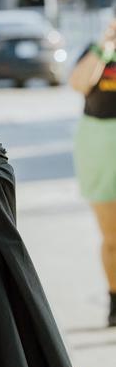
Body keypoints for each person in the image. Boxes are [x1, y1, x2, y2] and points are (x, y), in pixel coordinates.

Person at [68, 19, 116, 326]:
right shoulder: (97, 52)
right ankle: (114, 299)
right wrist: (104, 47)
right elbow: (79, 83)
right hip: (99, 147)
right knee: (112, 237)